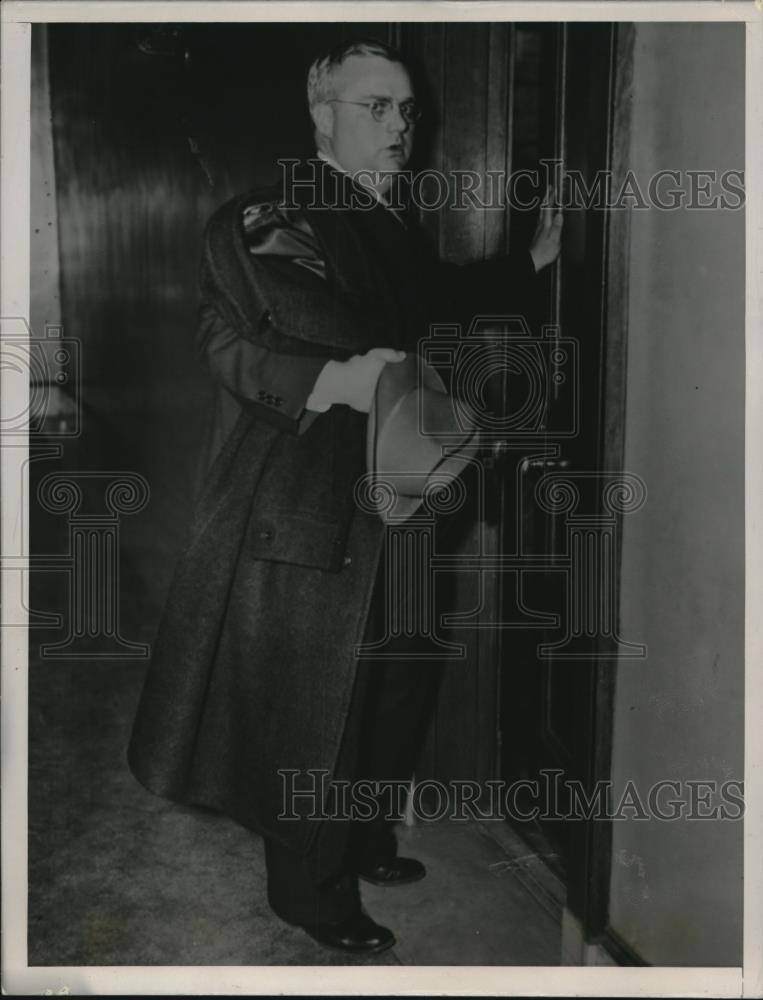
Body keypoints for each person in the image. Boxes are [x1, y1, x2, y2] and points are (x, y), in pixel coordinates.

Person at [128, 36, 562, 956]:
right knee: (320, 699)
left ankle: (362, 838)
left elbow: (434, 302)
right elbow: (233, 342)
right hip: (314, 501)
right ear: (321, 115)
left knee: (397, 678)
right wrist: (338, 375)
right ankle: (307, 892)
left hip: (402, 490)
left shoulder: (388, 219)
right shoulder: (270, 215)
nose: (399, 126)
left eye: (406, 111)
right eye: (377, 107)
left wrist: (527, 266)